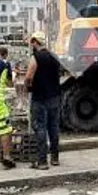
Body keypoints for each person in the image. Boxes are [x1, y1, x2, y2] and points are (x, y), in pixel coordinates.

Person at [25, 32, 65, 169]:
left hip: (40, 98)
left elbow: (29, 76)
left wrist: (28, 87)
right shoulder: (54, 57)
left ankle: (42, 161)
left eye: (32, 42)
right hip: (54, 97)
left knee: (40, 127)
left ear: (35, 42)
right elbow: (60, 73)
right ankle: (55, 158)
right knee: (53, 127)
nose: (31, 45)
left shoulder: (35, 57)